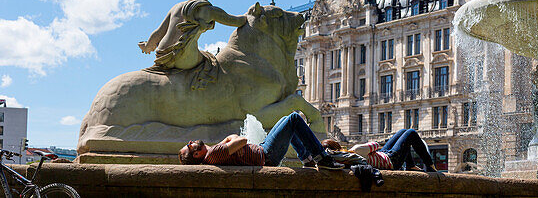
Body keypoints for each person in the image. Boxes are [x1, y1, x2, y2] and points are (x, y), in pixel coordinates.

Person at [140, 0, 247, 71]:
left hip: (162, 54)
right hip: (182, 56)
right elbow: (237, 21)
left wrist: (147, 46)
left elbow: (159, 32)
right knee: (210, 61)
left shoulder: (177, 7)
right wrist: (250, 15)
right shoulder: (210, 11)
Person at [179, 111, 343, 170]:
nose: (191, 141)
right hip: (266, 155)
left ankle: (307, 159)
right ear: (195, 154)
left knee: (287, 120)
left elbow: (233, 143)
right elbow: (242, 140)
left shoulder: (212, 154)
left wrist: (230, 141)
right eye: (189, 145)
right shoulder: (214, 153)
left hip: (263, 151)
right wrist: (231, 139)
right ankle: (321, 157)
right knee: (293, 118)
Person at [348, 129, 436, 172]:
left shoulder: (346, 159)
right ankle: (430, 165)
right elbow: (375, 145)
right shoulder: (356, 149)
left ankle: (411, 165)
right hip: (391, 160)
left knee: (403, 131)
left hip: (382, 155)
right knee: (411, 133)